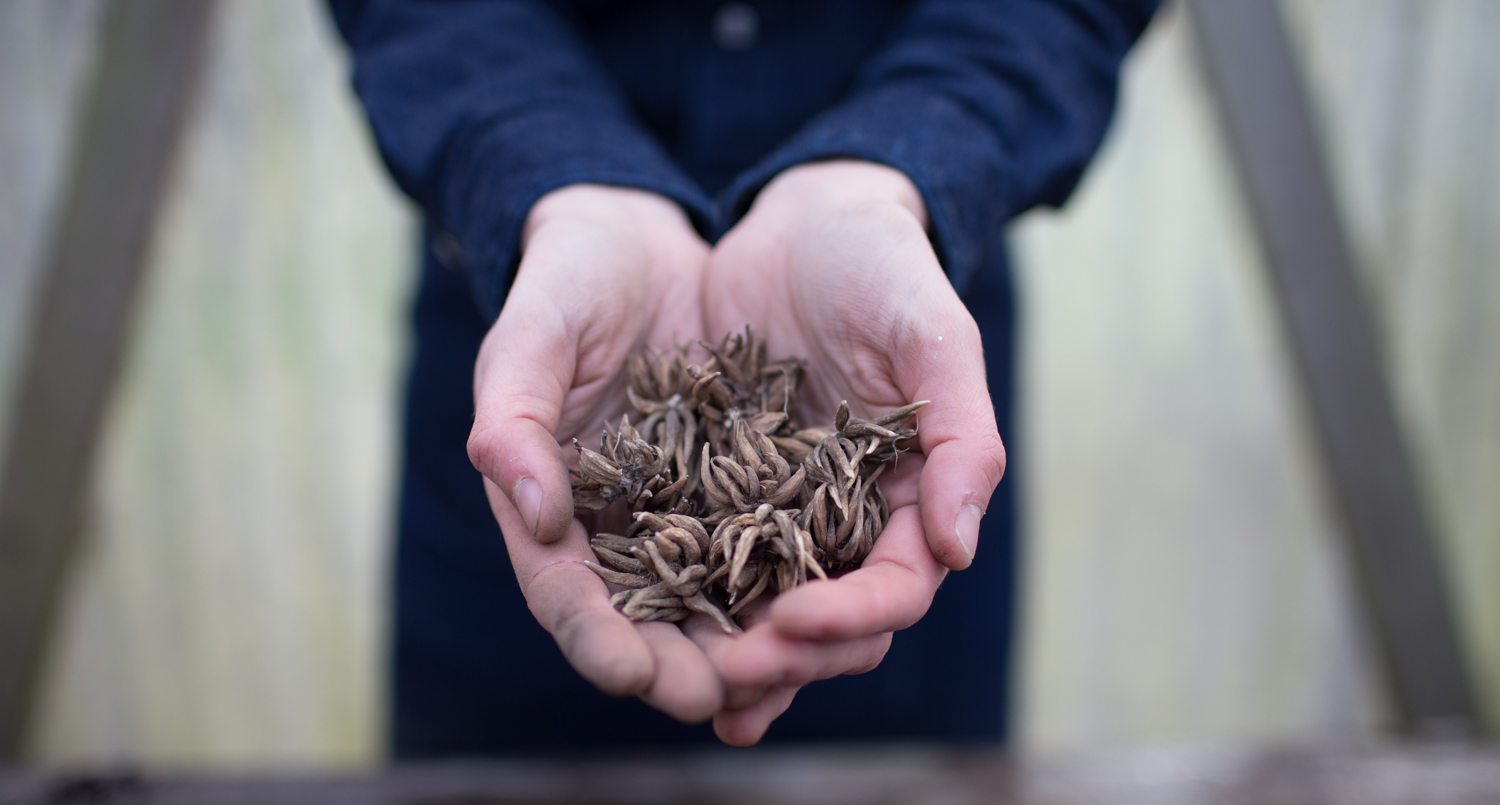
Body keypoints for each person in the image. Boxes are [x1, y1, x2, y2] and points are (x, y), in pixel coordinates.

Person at [328, 0, 1156, 753]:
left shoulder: (859, 438)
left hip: (884, 338)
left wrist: (913, 150)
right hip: (541, 334)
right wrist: (543, 167)